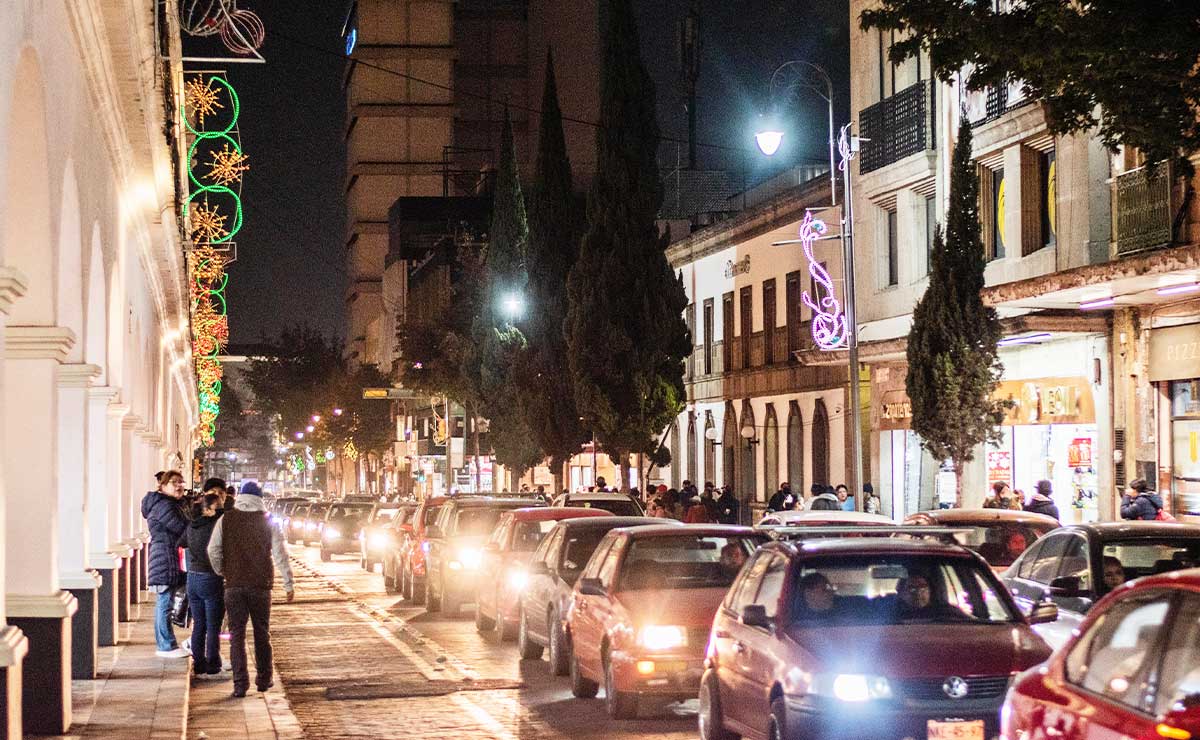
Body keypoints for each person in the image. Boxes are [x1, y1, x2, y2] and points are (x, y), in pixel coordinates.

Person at [207, 481, 295, 698]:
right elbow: (280, 554)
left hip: (234, 585)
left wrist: (222, 570)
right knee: (261, 632)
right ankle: (264, 678)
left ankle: (240, 684)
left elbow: (213, 549)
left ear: (241, 497)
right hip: (260, 585)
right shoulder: (268, 522)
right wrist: (288, 583)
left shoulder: (226, 519)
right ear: (260, 498)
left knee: (236, 635)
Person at [142, 470, 190, 658]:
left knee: (168, 601)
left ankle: (167, 643)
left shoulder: (171, 504)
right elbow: (183, 529)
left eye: (181, 482)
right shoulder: (164, 506)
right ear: (162, 486)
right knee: (164, 602)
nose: (179, 486)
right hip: (164, 558)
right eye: (174, 482)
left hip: (168, 557)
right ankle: (165, 645)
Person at [181, 492, 225, 678]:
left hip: (193, 578)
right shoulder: (215, 526)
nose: (221, 510)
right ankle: (213, 662)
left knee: (199, 623)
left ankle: (199, 663)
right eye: (218, 507)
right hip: (210, 577)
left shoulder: (192, 525)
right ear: (208, 509)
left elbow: (181, 543)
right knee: (213, 625)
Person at [896, 574, 961, 620]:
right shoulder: (891, 615)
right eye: (912, 588)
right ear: (901, 593)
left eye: (923, 587)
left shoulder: (947, 614)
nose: (918, 592)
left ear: (930, 591)